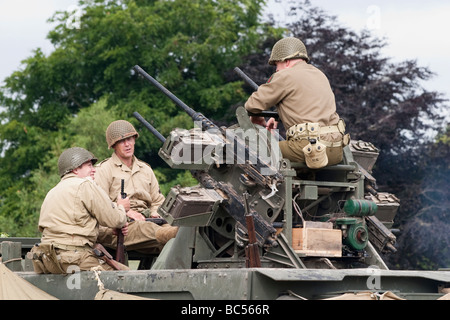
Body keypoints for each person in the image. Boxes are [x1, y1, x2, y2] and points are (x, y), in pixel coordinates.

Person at [245, 37, 349, 169]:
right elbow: (305, 104)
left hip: (307, 148)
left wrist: (258, 118)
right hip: (335, 151)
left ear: (287, 61)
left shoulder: (285, 76)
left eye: (277, 64)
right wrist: (277, 116)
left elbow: (252, 105)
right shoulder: (320, 75)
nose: (276, 70)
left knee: (251, 149)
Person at [30, 147, 129, 273]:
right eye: (89, 166)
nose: (94, 170)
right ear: (75, 169)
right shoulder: (85, 185)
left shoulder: (52, 191)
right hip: (74, 258)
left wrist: (109, 232)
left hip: (49, 260)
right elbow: (116, 219)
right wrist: (121, 207)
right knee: (127, 275)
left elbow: (72, 226)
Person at [94, 120, 178, 255]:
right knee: (157, 231)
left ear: (134, 140)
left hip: (149, 221)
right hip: (119, 227)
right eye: (122, 141)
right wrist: (125, 212)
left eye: (130, 139)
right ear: (114, 145)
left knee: (177, 238)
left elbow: (157, 200)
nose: (127, 144)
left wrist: (155, 211)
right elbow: (99, 206)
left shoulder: (146, 169)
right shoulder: (103, 170)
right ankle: (176, 234)